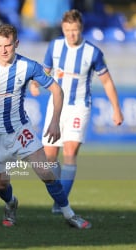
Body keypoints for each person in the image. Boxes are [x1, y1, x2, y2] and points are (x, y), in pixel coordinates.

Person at [0, 23, 91, 229]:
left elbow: (57, 91)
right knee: (1, 184)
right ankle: (11, 204)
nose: (3, 50)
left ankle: (69, 214)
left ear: (16, 43)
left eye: (8, 45)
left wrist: (54, 122)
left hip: (20, 129)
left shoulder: (28, 66)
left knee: (45, 172)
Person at [30, 9, 124, 214]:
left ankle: (60, 202)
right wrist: (35, 84)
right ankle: (59, 195)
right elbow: (44, 72)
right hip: (56, 107)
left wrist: (116, 109)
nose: (71, 34)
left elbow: (107, 82)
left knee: (70, 152)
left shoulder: (93, 52)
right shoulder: (54, 47)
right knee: (49, 158)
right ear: (62, 29)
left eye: (75, 30)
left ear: (81, 28)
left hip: (79, 106)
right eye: (67, 30)